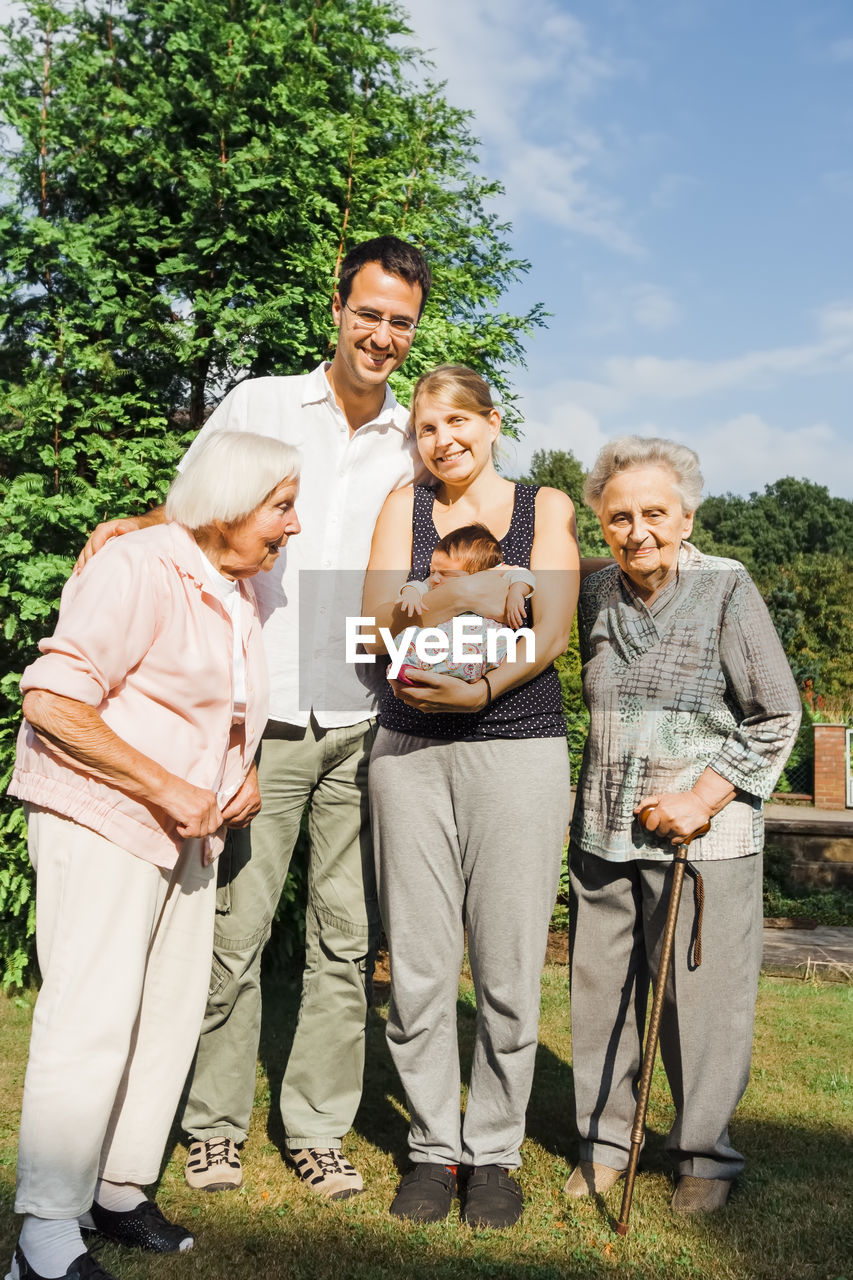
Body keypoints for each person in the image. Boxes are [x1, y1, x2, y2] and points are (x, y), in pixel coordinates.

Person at [77, 236, 432, 1199]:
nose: (382, 335)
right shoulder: (263, 403)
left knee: (344, 940)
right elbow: (191, 509)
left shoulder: (415, 438)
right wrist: (134, 527)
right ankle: (213, 1126)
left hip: (368, 716)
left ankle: (317, 1127)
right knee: (231, 935)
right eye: (369, 312)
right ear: (337, 307)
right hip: (262, 713)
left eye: (401, 320)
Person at [5, 432, 300, 1280]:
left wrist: (236, 775)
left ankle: (118, 1190)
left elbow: (228, 705)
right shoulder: (137, 567)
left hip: (187, 830)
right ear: (229, 504)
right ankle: (44, 1233)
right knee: (91, 1018)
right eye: (280, 505)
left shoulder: (240, 582)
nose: (294, 524)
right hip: (105, 819)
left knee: (166, 1014)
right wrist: (170, 787)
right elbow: (54, 699)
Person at [362, 364, 579, 1228]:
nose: (442, 439)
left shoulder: (545, 508)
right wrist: (465, 596)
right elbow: (368, 624)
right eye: (425, 427)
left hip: (516, 747)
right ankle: (429, 1148)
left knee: (506, 964)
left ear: (492, 422)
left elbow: (551, 630)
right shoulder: (401, 510)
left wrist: (484, 691)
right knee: (415, 966)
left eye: (458, 421)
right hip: (407, 750)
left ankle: (491, 1151)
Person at [565, 436, 801, 1214]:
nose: (636, 531)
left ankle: (703, 1156)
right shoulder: (596, 594)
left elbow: (775, 715)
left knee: (701, 1006)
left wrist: (699, 799)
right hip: (604, 829)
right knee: (602, 998)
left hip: (704, 839)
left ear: (686, 515)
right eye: (618, 517)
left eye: (653, 514)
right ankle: (604, 1142)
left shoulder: (726, 587)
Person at [394, 523, 535, 681]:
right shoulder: (434, 583)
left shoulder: (496, 573)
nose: (435, 578)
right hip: (447, 642)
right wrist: (410, 592)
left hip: (482, 645)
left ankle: (429, 671)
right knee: (406, 638)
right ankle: (414, 667)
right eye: (433, 571)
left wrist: (517, 592)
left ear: (480, 572)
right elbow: (418, 585)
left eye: (446, 573)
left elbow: (522, 574)